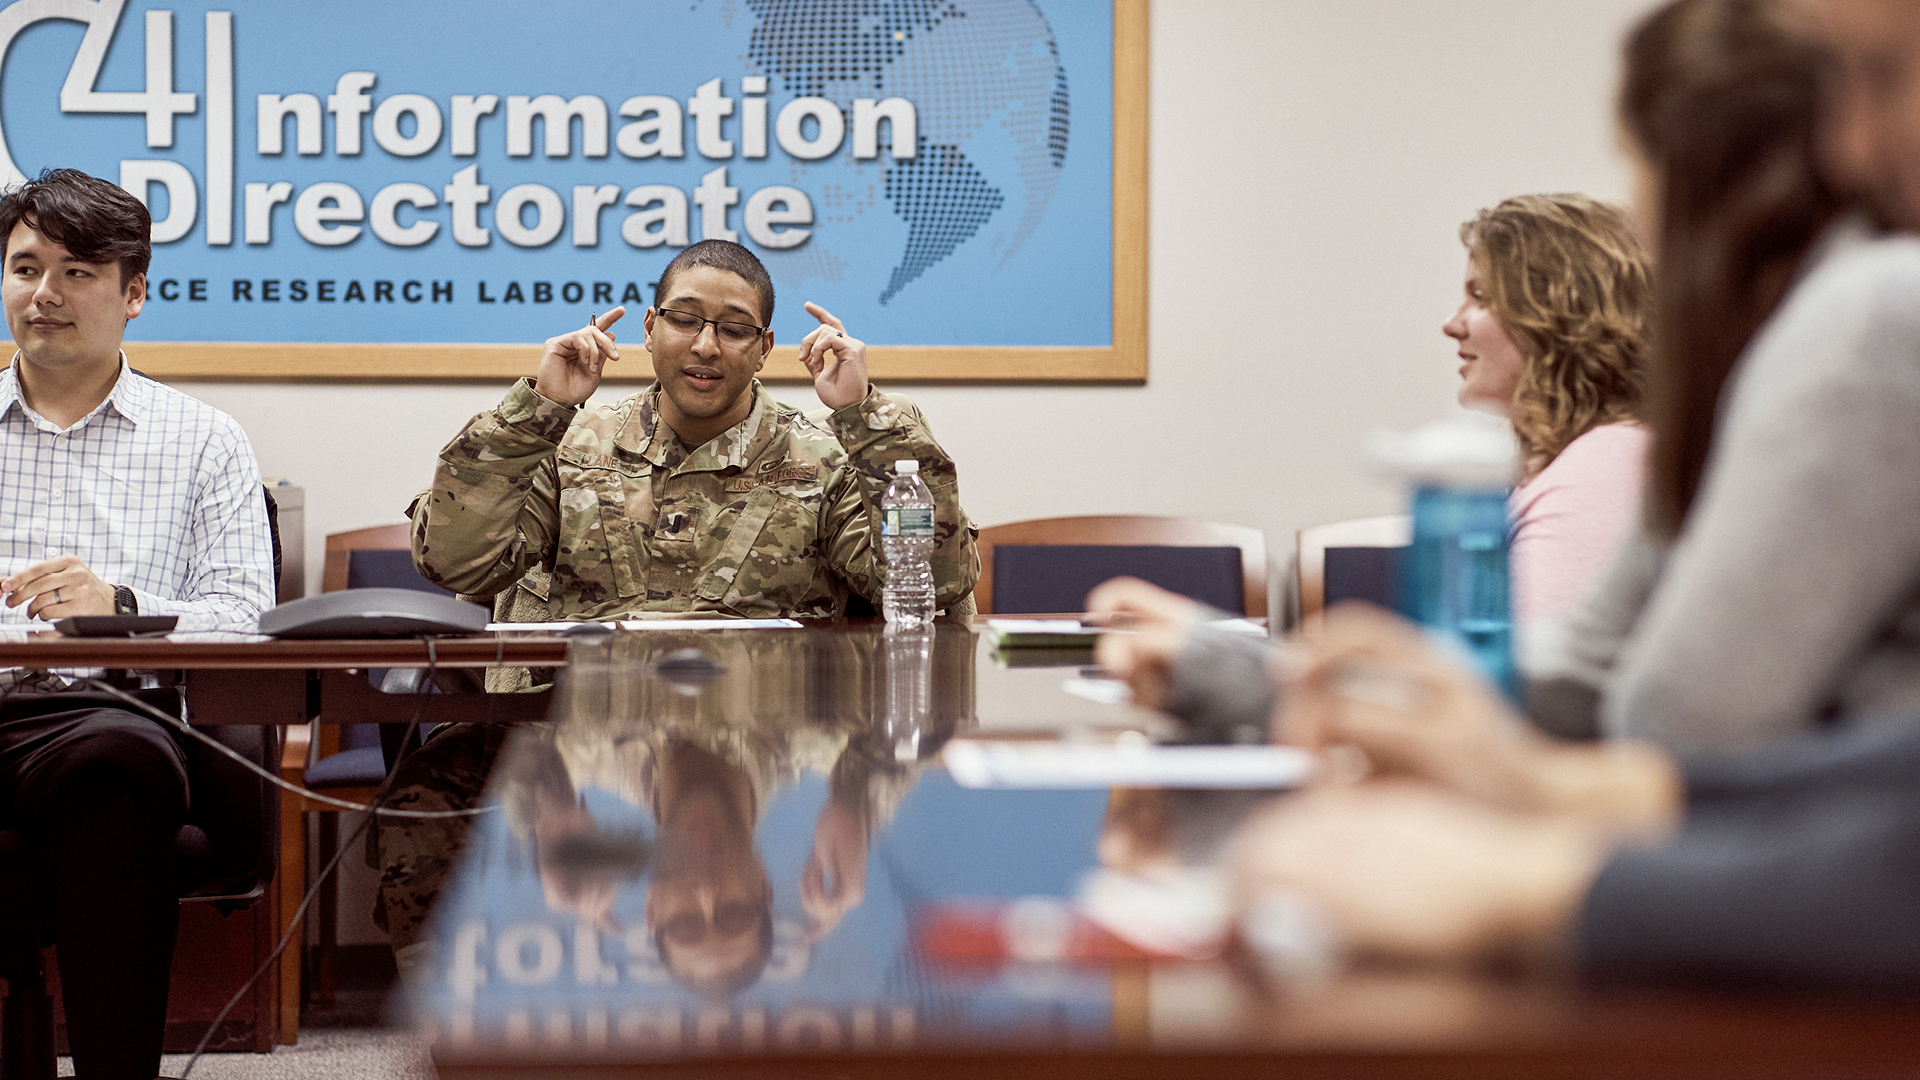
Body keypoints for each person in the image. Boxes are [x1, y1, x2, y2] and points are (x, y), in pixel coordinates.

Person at [1180, 0, 1920, 984]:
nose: (1855, 148)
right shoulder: (1716, 396)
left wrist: (1529, 866)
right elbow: (1596, 674)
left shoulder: (1863, 321)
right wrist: (1288, 680)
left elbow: (1677, 722)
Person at [377, 239, 979, 969]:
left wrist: (867, 418)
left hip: (770, 741)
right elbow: (454, 559)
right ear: (648, 330)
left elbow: (930, 582)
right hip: (577, 739)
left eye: (733, 328)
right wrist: (535, 411)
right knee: (432, 792)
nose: (705, 346)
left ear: (763, 349)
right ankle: (459, 1025)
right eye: (684, 320)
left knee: (930, 794)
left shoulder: (824, 458)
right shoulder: (571, 446)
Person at [0, 169, 276, 1079]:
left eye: (78, 271)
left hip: (117, 718)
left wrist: (119, 611)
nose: (45, 294)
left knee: (113, 764)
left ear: (134, 294)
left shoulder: (205, 439)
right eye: (26, 267)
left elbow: (247, 624)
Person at [1448, 194, 1653, 624]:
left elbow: (1524, 676)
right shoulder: (1586, 458)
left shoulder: (1606, 462)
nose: (1453, 325)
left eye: (1481, 296)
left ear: (1559, 315)